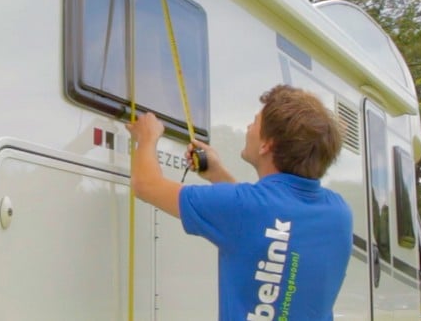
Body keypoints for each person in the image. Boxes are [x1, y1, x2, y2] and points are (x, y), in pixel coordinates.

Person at [126, 85, 352, 321]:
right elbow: (260, 222)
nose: (248, 127)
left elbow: (146, 185)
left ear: (267, 145)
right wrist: (217, 174)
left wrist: (147, 137)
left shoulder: (244, 208)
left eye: (255, 122)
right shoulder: (339, 212)